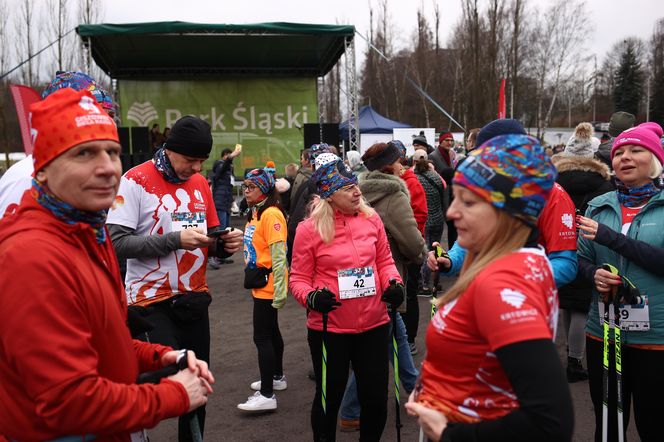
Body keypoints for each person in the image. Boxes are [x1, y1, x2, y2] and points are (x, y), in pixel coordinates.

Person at [0, 88, 214, 441]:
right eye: (84, 153)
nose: (106, 168)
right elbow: (69, 403)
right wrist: (175, 394)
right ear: (43, 170)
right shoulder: (31, 256)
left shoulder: (85, 235)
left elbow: (99, 339)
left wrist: (159, 355)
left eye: (112, 152)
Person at [407, 134, 574, 441]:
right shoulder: (529, 258)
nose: (451, 213)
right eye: (455, 197)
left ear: (509, 213)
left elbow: (551, 422)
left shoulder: (499, 284)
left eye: (468, 202)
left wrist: (449, 434)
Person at [106, 115, 243, 442]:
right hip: (151, 304)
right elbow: (116, 243)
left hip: (194, 300)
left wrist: (224, 245)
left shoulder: (200, 184)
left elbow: (208, 237)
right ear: (168, 150)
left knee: (198, 389)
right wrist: (174, 240)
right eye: (190, 160)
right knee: (162, 387)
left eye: (202, 161)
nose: (196, 168)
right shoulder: (134, 180)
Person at [289, 157, 404, 442]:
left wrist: (394, 283)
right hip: (330, 329)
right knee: (329, 398)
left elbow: (385, 263)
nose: (357, 192)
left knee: (376, 399)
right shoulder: (308, 229)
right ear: (329, 194)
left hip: (374, 324)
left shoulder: (372, 218)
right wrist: (312, 298)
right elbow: (298, 280)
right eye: (347, 188)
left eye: (356, 185)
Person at [576, 122, 664, 442]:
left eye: (636, 150)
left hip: (656, 338)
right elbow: (580, 259)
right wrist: (593, 274)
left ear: (655, 159)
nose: (624, 157)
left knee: (654, 425)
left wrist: (611, 238)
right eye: (619, 152)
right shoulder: (600, 205)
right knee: (608, 427)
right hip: (604, 334)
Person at [338, 142, 423, 431]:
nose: (402, 165)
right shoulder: (394, 194)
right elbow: (411, 241)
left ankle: (416, 390)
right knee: (375, 347)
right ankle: (351, 410)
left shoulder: (356, 192)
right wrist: (423, 256)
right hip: (388, 276)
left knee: (393, 335)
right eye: (399, 161)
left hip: (361, 276)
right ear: (390, 165)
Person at [439, 118, 578, 291]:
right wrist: (449, 260)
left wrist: (515, 282)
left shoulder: (553, 195)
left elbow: (566, 263)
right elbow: (468, 241)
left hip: (524, 300)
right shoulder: (487, 189)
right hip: (483, 293)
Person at [0, 70, 116, 219]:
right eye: (99, 113)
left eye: (111, 115)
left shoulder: (89, 173)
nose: (109, 123)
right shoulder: (28, 177)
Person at [552, 122, 614, 383]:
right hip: (589, 242)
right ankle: (575, 361)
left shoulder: (554, 179)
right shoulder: (603, 182)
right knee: (581, 307)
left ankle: (560, 357)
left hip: (558, 242)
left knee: (565, 302)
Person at [237, 168, 289, 412]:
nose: (246, 191)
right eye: (245, 186)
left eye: (251, 187)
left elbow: (280, 257)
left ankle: (267, 393)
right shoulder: (256, 213)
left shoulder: (271, 215)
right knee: (272, 333)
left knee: (262, 337)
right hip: (260, 283)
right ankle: (276, 378)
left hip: (268, 287)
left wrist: (280, 290)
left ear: (265, 189)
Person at [413, 149, 447, 298]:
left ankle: (425, 284)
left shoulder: (414, 180)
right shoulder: (436, 177)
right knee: (437, 250)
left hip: (425, 220)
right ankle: (436, 281)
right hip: (438, 218)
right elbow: (445, 187)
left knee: (426, 252)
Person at [209, 144, 242, 268]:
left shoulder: (227, 169)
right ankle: (212, 257)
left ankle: (220, 256)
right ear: (225, 155)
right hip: (219, 201)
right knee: (219, 230)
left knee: (226, 229)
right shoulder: (219, 164)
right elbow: (221, 170)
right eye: (229, 156)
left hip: (226, 202)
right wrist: (231, 157)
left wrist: (232, 201)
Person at [430, 132, 457, 246]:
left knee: (452, 229)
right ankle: (437, 256)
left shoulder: (450, 155)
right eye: (447, 140)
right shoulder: (433, 156)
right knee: (437, 233)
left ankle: (451, 255)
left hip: (451, 196)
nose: (449, 142)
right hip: (440, 197)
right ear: (441, 141)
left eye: (451, 140)